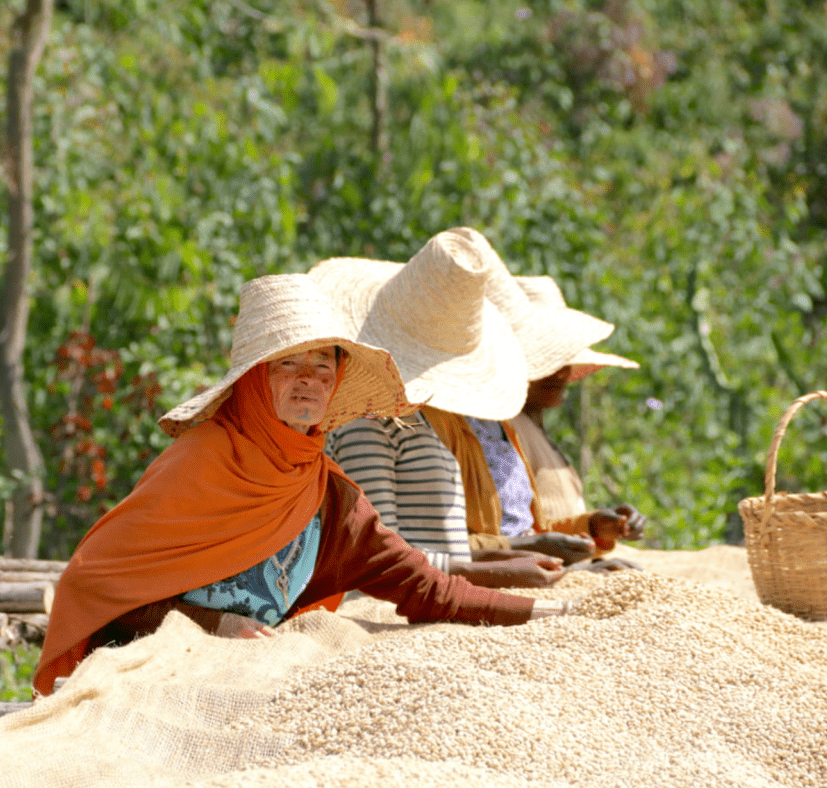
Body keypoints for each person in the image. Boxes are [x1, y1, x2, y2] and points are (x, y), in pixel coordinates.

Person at [33, 274, 568, 696]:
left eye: (322, 364)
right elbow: (97, 586)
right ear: (253, 380)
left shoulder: (331, 498)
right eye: (287, 364)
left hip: (242, 687)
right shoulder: (200, 461)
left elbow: (424, 586)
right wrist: (208, 622)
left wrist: (551, 615)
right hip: (143, 680)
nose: (308, 379)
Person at [310, 228, 565, 589]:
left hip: (433, 592)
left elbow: (432, 545)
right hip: (401, 601)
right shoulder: (365, 424)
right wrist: (491, 572)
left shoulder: (411, 419)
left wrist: (505, 558)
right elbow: (375, 552)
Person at [427, 255, 646, 565]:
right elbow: (429, 548)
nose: (558, 372)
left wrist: (591, 527)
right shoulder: (436, 422)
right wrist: (538, 550)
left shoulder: (501, 424)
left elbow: (525, 528)